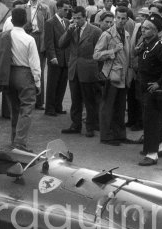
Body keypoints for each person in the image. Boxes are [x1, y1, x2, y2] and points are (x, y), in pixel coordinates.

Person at [0, 7, 41, 152]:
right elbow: (34, 63)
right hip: (24, 74)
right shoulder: (29, 39)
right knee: (26, 108)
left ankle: (14, 139)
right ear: (26, 21)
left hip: (8, 73)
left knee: (14, 108)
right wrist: (37, 82)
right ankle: (19, 143)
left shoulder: (3, 36)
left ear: (12, 20)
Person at [135, 14, 162, 166]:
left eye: (147, 29)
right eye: (142, 28)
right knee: (152, 121)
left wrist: (159, 83)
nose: (143, 31)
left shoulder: (160, 47)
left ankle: (151, 155)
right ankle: (157, 147)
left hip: (155, 92)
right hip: (146, 90)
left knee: (152, 122)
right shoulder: (147, 45)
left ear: (155, 31)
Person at [59, 6, 102, 137]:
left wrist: (97, 70)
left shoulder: (95, 31)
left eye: (79, 18)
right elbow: (61, 44)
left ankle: (90, 126)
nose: (76, 20)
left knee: (89, 100)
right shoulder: (72, 29)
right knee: (75, 99)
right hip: (74, 69)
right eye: (74, 18)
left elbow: (99, 51)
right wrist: (68, 32)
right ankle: (75, 125)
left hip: (88, 70)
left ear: (85, 17)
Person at [94, 6, 133, 146]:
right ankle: (106, 136)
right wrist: (112, 51)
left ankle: (120, 135)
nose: (121, 21)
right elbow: (96, 55)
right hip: (111, 76)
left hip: (123, 77)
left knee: (121, 107)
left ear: (127, 19)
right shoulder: (107, 35)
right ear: (115, 18)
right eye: (119, 18)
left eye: (124, 18)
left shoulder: (127, 34)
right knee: (107, 107)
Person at [44, 0, 71, 116]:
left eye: (68, 9)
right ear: (58, 8)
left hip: (65, 58)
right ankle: (50, 108)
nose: (67, 12)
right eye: (65, 9)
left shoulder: (67, 22)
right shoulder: (50, 22)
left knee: (62, 84)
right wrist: (52, 57)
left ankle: (58, 106)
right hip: (55, 58)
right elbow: (49, 42)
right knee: (52, 83)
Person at [126, 6, 149, 131]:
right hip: (133, 65)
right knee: (131, 95)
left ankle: (139, 122)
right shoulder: (136, 27)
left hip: (142, 67)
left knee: (139, 96)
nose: (142, 17)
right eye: (141, 15)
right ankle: (131, 119)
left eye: (144, 15)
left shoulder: (149, 30)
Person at [25, 0, 49, 109]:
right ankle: (28, 100)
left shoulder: (44, 8)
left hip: (41, 40)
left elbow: (48, 25)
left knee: (39, 69)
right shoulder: (24, 7)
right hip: (28, 37)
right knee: (26, 68)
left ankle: (39, 102)